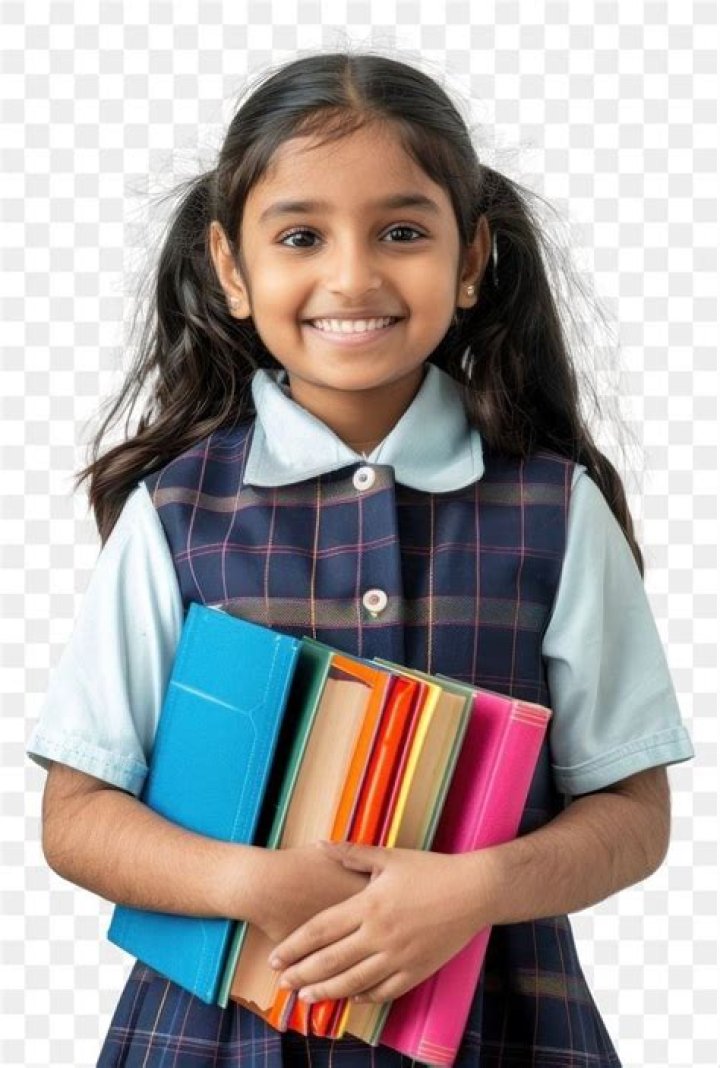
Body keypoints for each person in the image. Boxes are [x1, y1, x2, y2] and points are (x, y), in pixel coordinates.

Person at [27, 50, 694, 1067]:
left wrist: (477, 891)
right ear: (232, 270)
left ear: (471, 261)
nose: (353, 275)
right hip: (213, 1038)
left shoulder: (558, 508)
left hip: (502, 1030)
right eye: (301, 235)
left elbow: (634, 813)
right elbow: (77, 816)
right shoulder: (173, 516)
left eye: (402, 232)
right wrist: (247, 884)